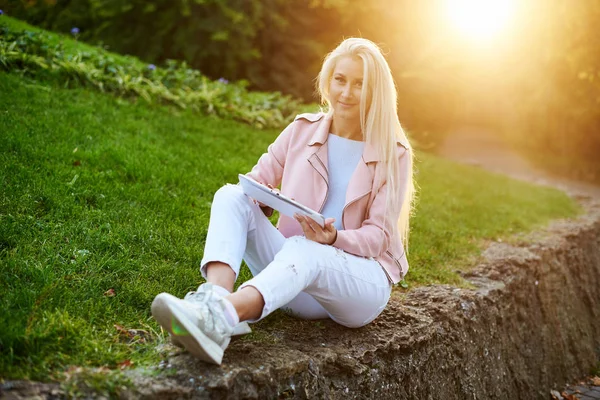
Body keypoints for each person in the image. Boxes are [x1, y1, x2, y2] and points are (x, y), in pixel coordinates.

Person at [151, 37, 415, 365]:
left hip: (357, 288)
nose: (346, 93)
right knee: (230, 195)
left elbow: (379, 237)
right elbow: (253, 183)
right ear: (327, 80)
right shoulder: (301, 130)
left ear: (377, 92)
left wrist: (334, 237)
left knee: (309, 248)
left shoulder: (393, 153)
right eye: (340, 80)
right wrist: (261, 199)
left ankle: (222, 317)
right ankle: (213, 301)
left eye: (360, 84)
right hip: (292, 277)